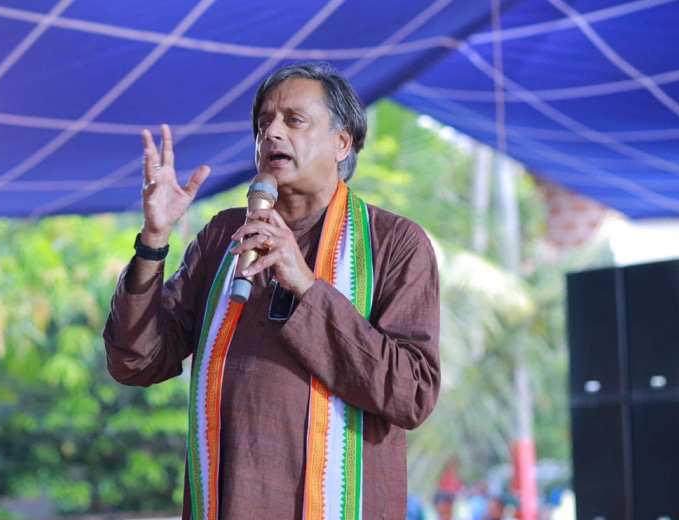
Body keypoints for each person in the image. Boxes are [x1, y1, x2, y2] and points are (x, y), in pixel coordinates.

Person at [103, 62, 441, 519]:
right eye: (264, 123)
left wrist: (306, 285)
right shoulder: (224, 236)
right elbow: (136, 361)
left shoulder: (393, 243)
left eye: (294, 120)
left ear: (342, 143)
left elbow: (412, 393)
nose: (272, 134)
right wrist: (153, 240)